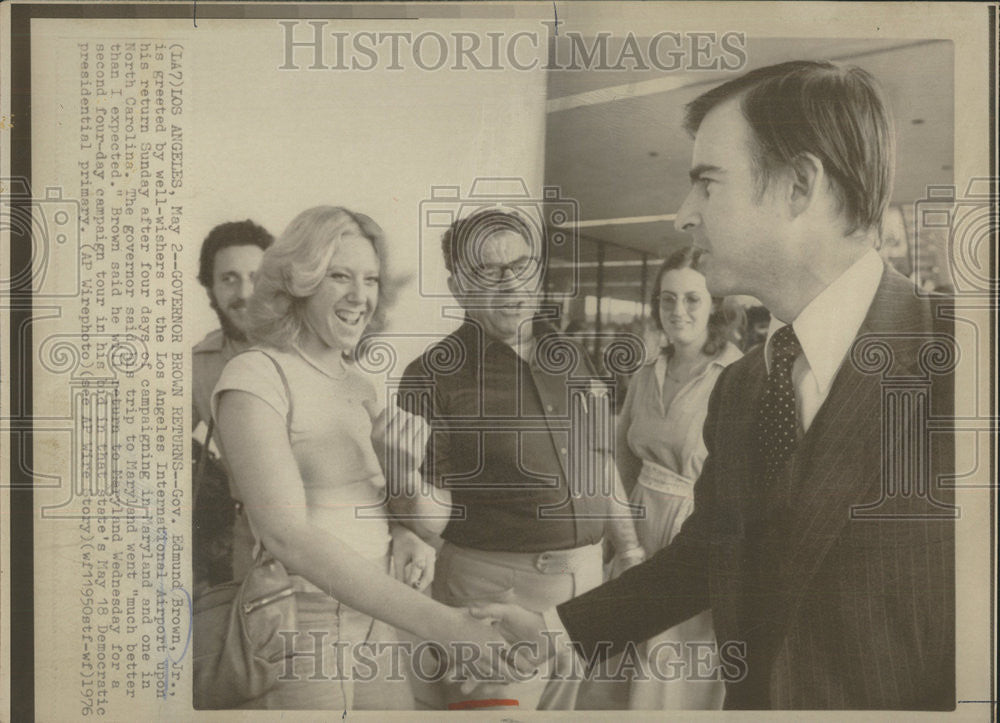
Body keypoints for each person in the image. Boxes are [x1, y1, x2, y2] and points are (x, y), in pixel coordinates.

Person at [473, 60, 955, 710]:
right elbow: (710, 555)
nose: (682, 215)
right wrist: (561, 629)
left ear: (798, 186)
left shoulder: (965, 360)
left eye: (706, 182)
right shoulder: (747, 387)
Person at [211, 206, 521, 710]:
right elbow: (287, 535)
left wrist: (400, 525)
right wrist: (445, 624)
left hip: (377, 617)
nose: (361, 296)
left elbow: (412, 517)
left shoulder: (361, 386)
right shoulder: (257, 374)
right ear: (299, 280)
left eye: (371, 279)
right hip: (299, 625)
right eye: (340, 276)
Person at [392, 208, 645, 711]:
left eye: (522, 265)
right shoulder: (432, 376)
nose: (511, 282)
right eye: (489, 270)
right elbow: (426, 516)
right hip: (493, 593)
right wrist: (398, 473)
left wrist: (631, 548)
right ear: (459, 287)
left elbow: (601, 462)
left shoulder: (569, 355)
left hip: (584, 587)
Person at [616, 247, 742, 710]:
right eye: (667, 300)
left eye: (692, 299)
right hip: (636, 532)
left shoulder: (739, 374)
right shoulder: (647, 371)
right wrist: (619, 541)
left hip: (695, 540)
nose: (678, 311)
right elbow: (623, 459)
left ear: (717, 306)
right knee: (621, 676)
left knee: (670, 684)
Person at [192, 220, 272, 591]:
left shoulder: (315, 347)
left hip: (330, 532)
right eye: (229, 279)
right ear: (210, 287)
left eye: (256, 276)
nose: (245, 292)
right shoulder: (200, 363)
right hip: (249, 541)